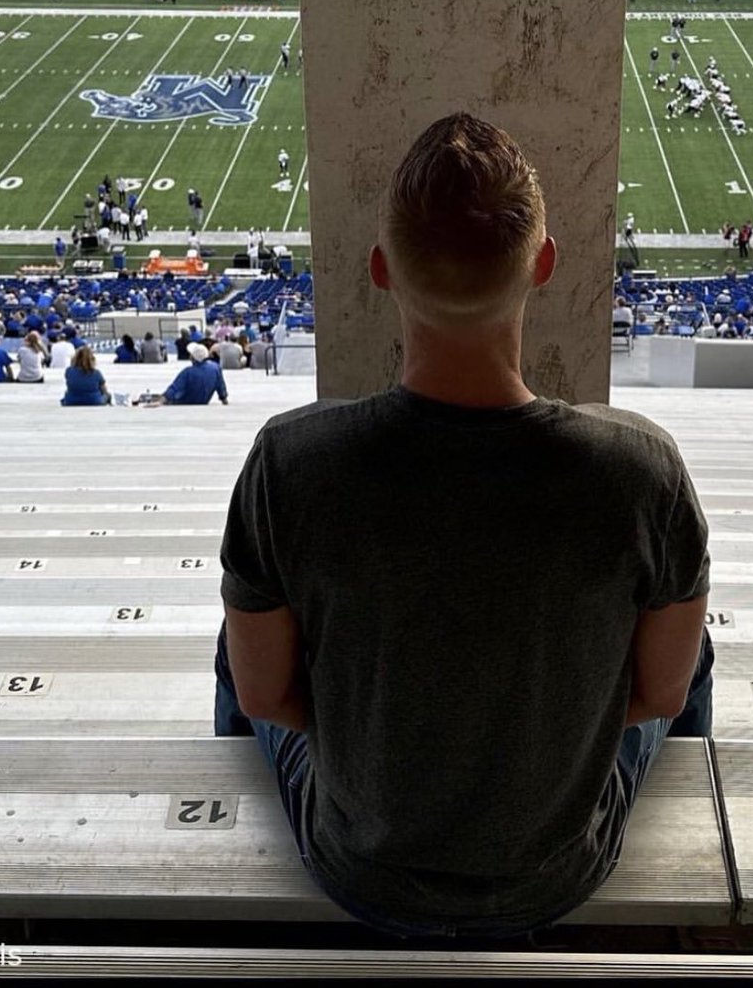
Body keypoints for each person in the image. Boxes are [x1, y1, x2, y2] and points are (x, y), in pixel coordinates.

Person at [212, 112, 712, 938]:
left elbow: (267, 692)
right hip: (556, 873)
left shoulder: (289, 463)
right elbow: (659, 691)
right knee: (691, 644)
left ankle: (222, 853)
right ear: (545, 264)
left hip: (359, 867)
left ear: (379, 270)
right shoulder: (641, 469)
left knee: (237, 644)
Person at [147, 342, 229, 405]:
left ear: (193, 358)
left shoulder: (188, 372)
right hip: (203, 401)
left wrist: (161, 402)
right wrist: (224, 399)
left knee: (155, 397)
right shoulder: (215, 368)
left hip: (184, 401)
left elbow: (174, 388)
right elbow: (221, 386)